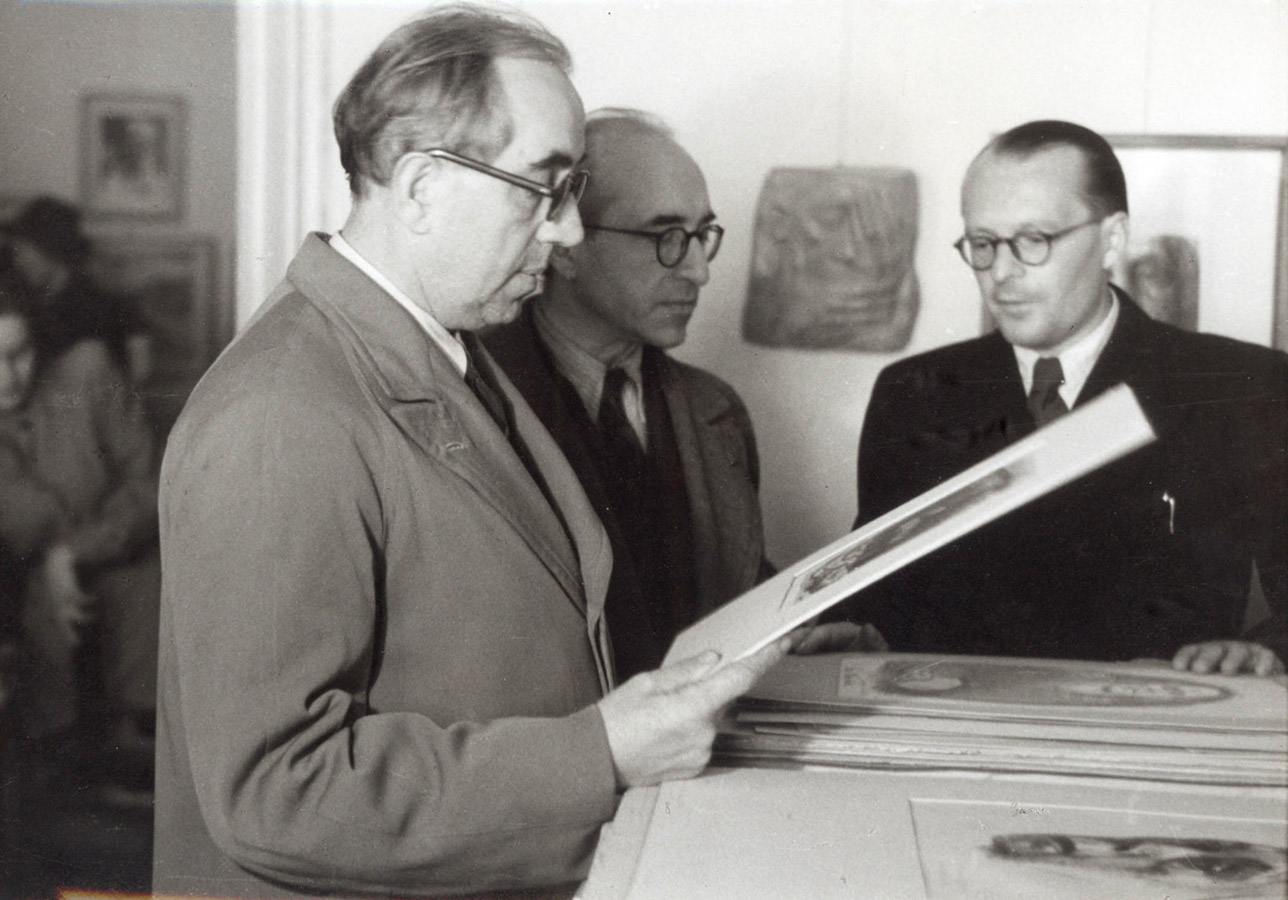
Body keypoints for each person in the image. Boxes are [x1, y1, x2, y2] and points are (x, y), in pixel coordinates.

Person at [153, 8, 811, 897]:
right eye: (543, 188)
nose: (568, 232)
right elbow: (274, 790)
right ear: (422, 186)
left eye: (574, 189)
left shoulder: (454, 351)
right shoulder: (282, 408)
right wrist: (602, 749)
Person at [840, 120, 1287, 676]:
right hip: (955, 735)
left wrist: (1265, 651)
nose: (1002, 273)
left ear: (1112, 239)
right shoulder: (914, 392)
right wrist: (848, 630)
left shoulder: (1240, 385)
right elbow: (873, 595)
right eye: (983, 244)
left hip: (1152, 733)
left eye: (1034, 240)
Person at [483, 109, 777, 679]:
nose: (698, 272)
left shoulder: (716, 410)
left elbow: (731, 587)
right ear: (565, 245)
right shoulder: (477, 396)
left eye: (701, 236)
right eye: (665, 237)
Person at [0, 269, 160, 794]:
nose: (8, 378)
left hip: (130, 577)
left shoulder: (87, 375)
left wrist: (70, 552)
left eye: (19, 353)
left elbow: (153, 484)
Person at [2, 195, 151, 383]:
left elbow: (137, 373)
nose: (18, 262)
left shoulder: (90, 305)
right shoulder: (41, 299)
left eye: (22, 252)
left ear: (50, 249)